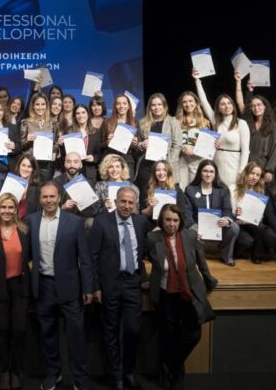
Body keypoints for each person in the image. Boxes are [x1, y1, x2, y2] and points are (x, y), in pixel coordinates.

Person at [27, 180, 95, 390]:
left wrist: (88, 287)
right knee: (47, 335)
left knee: (76, 336)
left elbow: (85, 258)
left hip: (71, 287)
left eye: (52, 196)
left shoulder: (74, 222)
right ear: (40, 199)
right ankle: (53, 374)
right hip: (43, 286)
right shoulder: (31, 221)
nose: (48, 200)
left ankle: (79, 378)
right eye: (45, 196)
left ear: (59, 198)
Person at [146, 203, 217, 390]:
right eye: (168, 220)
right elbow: (139, 259)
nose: (172, 224)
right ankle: (176, 373)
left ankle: (171, 365)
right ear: (161, 220)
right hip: (164, 294)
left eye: (175, 220)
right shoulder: (153, 238)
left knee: (193, 335)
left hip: (188, 293)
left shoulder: (190, 236)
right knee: (168, 336)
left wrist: (209, 279)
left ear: (181, 221)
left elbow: (201, 261)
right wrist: (143, 280)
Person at [89, 186, 149, 390]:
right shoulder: (101, 222)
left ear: (136, 205)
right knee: (111, 331)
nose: (126, 206)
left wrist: (144, 277)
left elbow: (143, 251)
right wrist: (95, 286)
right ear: (115, 202)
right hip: (109, 284)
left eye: (131, 202)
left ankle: (128, 372)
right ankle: (116, 375)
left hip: (132, 282)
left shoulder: (141, 222)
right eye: (123, 201)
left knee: (133, 329)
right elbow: (92, 257)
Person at [0, 192, 29, 390]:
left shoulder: (25, 231)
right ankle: (2, 372)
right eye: (3, 207)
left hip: (20, 286)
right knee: (1, 331)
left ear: (16, 210)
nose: (7, 211)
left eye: (11, 207)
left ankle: (15, 371)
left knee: (19, 330)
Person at [195, 71, 249, 191]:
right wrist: (197, 80)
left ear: (233, 106)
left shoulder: (241, 124)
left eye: (229, 103)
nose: (227, 106)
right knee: (217, 193)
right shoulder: (216, 121)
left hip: (234, 165)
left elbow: (246, 151)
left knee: (231, 194)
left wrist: (241, 172)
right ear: (218, 108)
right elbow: (204, 102)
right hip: (217, 163)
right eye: (223, 104)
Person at [183, 160, 238, 266]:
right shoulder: (190, 190)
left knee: (234, 227)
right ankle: (195, 257)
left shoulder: (223, 189)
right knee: (187, 230)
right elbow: (187, 213)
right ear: (200, 172)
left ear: (215, 174)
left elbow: (227, 210)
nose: (208, 174)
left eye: (211, 172)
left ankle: (227, 257)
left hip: (217, 226)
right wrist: (194, 228)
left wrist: (226, 220)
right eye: (205, 171)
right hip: (198, 227)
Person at [134, 93, 183, 194]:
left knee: (165, 197)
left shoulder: (173, 122)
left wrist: (167, 164)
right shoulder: (142, 123)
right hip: (147, 166)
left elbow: (177, 145)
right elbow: (138, 144)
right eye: (153, 105)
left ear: (164, 106)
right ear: (149, 107)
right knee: (145, 195)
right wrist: (141, 145)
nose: (156, 107)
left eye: (159, 104)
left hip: (166, 166)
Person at [235, 86, 276, 178]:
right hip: (246, 165)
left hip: (263, 167)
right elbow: (240, 103)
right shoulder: (246, 124)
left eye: (259, 105)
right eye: (253, 106)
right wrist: (238, 83)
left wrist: (270, 170)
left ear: (264, 106)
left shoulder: (273, 126)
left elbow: (275, 150)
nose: (256, 108)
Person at [231, 163, 269, 263]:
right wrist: (235, 214)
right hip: (237, 222)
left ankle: (257, 256)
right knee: (247, 240)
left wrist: (249, 220)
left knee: (261, 227)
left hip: (251, 223)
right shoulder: (233, 188)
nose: (255, 177)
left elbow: (260, 215)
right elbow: (228, 210)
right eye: (252, 173)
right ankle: (234, 252)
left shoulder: (260, 191)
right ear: (246, 173)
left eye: (258, 175)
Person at [173, 91, 210, 189]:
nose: (188, 104)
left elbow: (207, 147)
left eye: (190, 101)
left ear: (196, 102)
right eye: (184, 102)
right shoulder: (176, 121)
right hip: (181, 162)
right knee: (182, 190)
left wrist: (194, 151)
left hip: (198, 162)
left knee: (196, 191)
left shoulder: (204, 122)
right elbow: (172, 142)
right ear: (181, 104)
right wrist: (182, 148)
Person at [61, 104, 103, 184]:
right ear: (74, 116)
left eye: (83, 112)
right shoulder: (68, 131)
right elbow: (64, 154)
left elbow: (99, 153)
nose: (81, 116)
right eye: (78, 113)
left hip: (89, 171)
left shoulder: (96, 132)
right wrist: (61, 144)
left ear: (88, 114)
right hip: (72, 171)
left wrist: (93, 158)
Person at [93, 154, 138, 224]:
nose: (114, 170)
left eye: (117, 166)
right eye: (111, 167)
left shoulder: (132, 188)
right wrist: (104, 208)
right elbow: (94, 211)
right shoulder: (100, 186)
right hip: (106, 221)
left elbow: (136, 211)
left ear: (122, 169)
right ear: (106, 169)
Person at [20, 93, 56, 180]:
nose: (40, 107)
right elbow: (19, 145)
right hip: (30, 163)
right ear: (33, 106)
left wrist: (55, 152)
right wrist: (27, 139)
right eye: (37, 104)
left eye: (43, 104)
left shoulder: (53, 123)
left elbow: (56, 143)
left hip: (47, 164)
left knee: (45, 186)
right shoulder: (25, 122)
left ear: (47, 106)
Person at [12, 152, 42, 220]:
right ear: (19, 166)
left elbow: (38, 212)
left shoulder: (38, 187)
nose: (25, 169)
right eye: (23, 165)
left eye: (29, 167)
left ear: (33, 169)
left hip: (28, 223)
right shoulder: (11, 182)